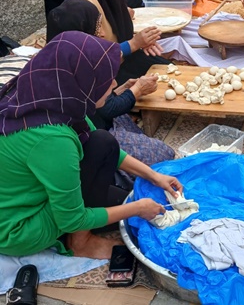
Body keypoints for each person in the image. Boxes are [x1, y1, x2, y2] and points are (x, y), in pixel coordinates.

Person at [0, 31, 182, 259]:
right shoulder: (53, 139)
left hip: (25, 197)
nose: (115, 84)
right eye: (106, 79)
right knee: (132, 206)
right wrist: (138, 209)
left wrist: (154, 176)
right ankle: (81, 242)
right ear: (82, 81)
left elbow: (102, 146)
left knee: (104, 146)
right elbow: (72, 219)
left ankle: (96, 221)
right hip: (17, 229)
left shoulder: (48, 96)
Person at [47, 0, 175, 166]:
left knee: (133, 129)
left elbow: (99, 102)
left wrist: (123, 89)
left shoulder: (74, 56)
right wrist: (136, 90)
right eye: (96, 27)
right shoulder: (70, 67)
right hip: (86, 138)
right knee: (163, 154)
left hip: (96, 122)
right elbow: (105, 109)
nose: (102, 33)